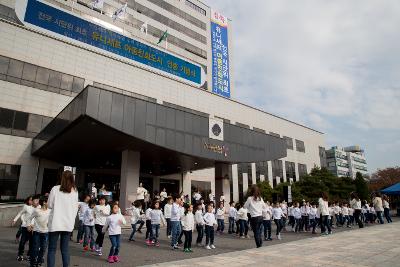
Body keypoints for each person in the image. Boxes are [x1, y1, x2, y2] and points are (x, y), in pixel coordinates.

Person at [47, 170, 79, 267]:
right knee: (65, 249)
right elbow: (75, 207)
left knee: (52, 249)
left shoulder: (55, 189)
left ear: (62, 178)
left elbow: (49, 205)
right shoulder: (75, 191)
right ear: (72, 178)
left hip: (55, 222)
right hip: (68, 223)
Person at [28, 196, 50, 267]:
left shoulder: (50, 211)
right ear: (44, 202)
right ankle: (32, 263)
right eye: (48, 201)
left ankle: (39, 261)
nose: (49, 203)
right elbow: (30, 218)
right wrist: (29, 225)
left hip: (46, 233)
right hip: (36, 233)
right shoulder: (37, 210)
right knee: (35, 249)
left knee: (43, 249)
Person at [12, 195, 34, 262]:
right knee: (22, 242)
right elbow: (20, 213)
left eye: (33, 200)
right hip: (25, 227)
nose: (31, 201)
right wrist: (14, 220)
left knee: (32, 243)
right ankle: (20, 255)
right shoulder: (26, 207)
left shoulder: (37, 207)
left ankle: (29, 255)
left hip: (33, 228)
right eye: (30, 200)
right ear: (28, 200)